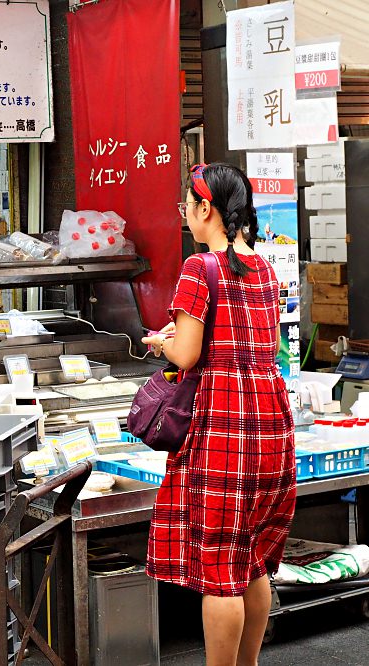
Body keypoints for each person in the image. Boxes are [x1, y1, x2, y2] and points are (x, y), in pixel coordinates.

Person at [141, 163, 295, 666]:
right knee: (252, 563)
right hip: (270, 417)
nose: (184, 213)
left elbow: (186, 356)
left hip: (223, 423)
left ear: (205, 209)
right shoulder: (266, 269)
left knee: (222, 568)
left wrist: (162, 343)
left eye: (186, 204)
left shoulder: (199, 268)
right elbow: (265, 344)